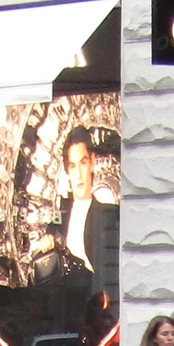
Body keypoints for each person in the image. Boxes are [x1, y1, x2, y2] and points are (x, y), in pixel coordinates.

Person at [55, 126, 120, 294]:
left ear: (92, 162)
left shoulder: (108, 216)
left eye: (83, 163)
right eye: (72, 166)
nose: (78, 174)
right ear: (67, 172)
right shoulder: (61, 214)